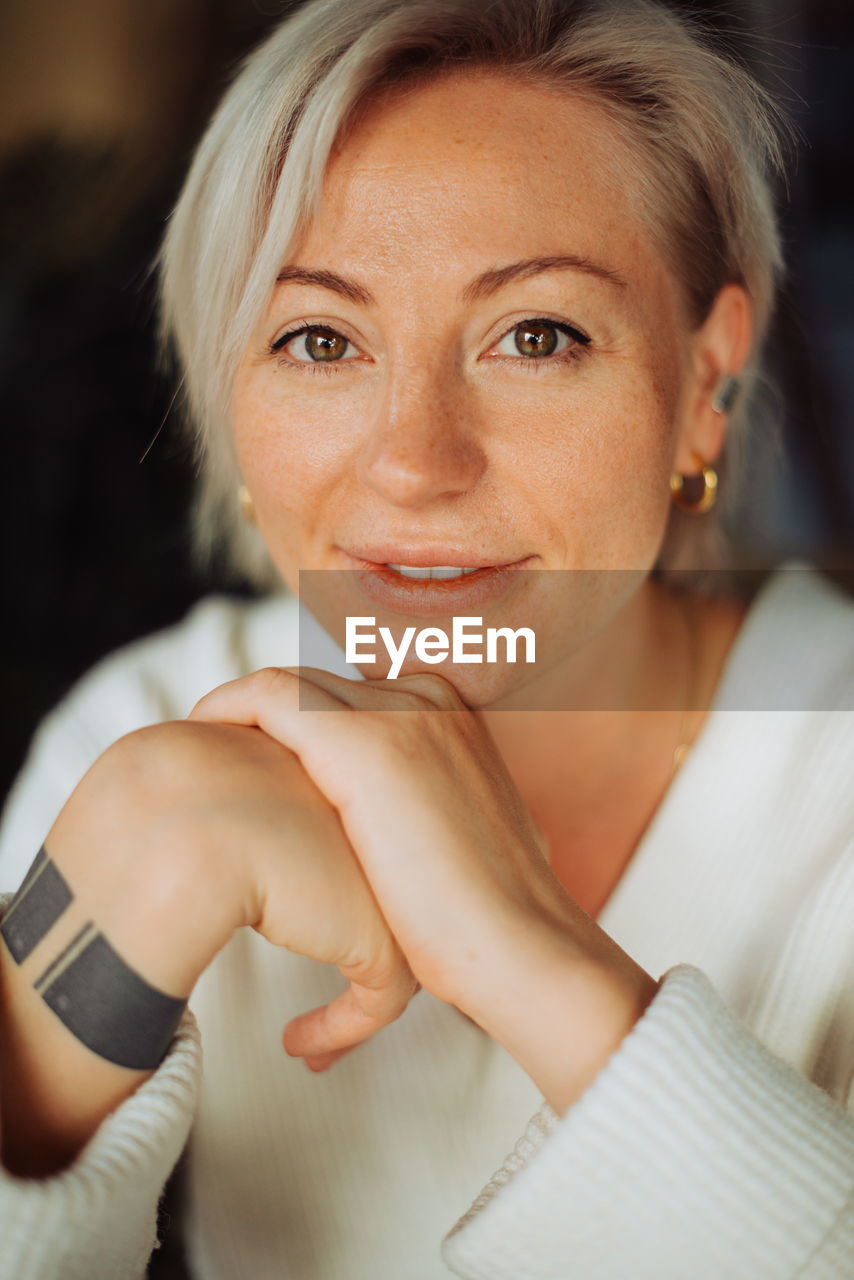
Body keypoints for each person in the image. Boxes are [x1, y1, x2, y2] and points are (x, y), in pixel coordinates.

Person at [1, 0, 853, 1276]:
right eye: (319, 340)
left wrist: (534, 953)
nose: (414, 463)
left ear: (703, 386)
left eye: (536, 335)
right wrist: (123, 885)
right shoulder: (144, 726)